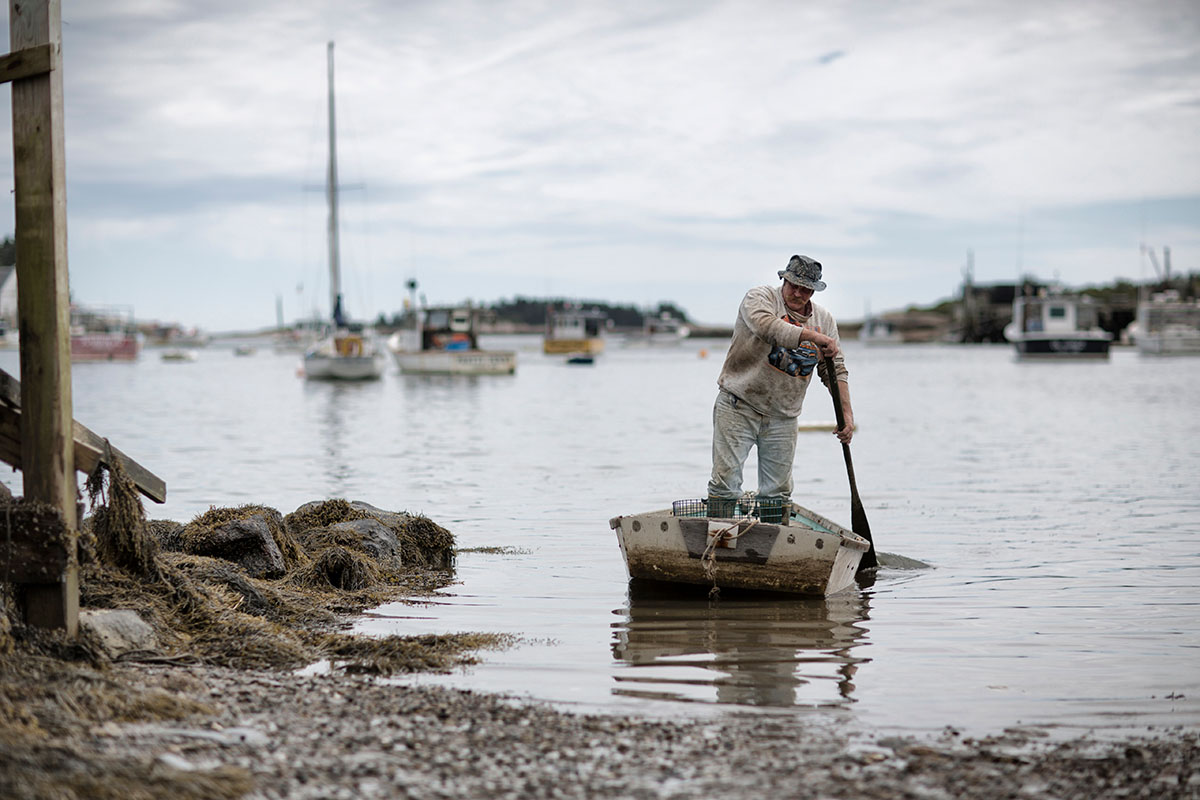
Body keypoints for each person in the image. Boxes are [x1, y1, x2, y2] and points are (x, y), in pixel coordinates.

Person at [707, 254, 854, 520]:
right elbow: (769, 329)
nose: (797, 292)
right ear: (783, 279)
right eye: (793, 285)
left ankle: (770, 545)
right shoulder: (760, 299)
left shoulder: (824, 320)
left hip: (783, 416)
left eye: (805, 288)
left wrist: (846, 417)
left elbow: (835, 370)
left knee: (776, 492)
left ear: (813, 290)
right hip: (739, 403)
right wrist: (812, 336)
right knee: (725, 485)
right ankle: (719, 537)